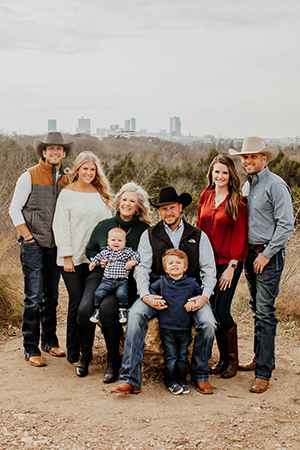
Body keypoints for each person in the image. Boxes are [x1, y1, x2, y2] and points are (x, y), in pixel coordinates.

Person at [111, 186, 217, 395]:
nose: (168, 213)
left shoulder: (197, 235)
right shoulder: (150, 234)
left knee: (208, 323)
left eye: (172, 208)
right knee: (136, 314)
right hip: (158, 290)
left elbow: (209, 270)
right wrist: (145, 295)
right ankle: (130, 378)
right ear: (159, 211)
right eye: (163, 209)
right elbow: (142, 268)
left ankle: (200, 374)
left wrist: (203, 297)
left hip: (190, 293)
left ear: (180, 208)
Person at [229, 136, 294, 393]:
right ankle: (259, 358)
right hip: (250, 255)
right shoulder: (247, 187)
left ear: (264, 158)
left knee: (265, 312)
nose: (248, 161)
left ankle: (264, 371)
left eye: (253, 157)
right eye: (245, 157)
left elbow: (286, 224)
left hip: (268, 256)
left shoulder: (275, 185)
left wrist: (266, 254)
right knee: (257, 307)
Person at [9, 132, 74, 367]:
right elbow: (14, 209)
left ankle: (49, 341)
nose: (55, 152)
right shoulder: (29, 176)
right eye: (51, 149)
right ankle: (30, 347)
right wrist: (28, 237)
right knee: (33, 297)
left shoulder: (69, 179)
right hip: (33, 243)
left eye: (59, 149)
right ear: (44, 152)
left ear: (64, 153)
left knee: (52, 296)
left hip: (55, 245)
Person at [76, 182, 151, 383]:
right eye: (124, 200)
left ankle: (112, 360)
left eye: (132, 201)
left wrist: (133, 264)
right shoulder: (103, 226)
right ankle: (85, 355)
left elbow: (147, 257)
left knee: (109, 308)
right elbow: (90, 249)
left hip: (125, 280)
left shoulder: (144, 230)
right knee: (84, 309)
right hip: (100, 276)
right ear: (118, 203)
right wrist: (99, 259)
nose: (127, 204)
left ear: (138, 207)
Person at [52, 151, 112, 365]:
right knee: (77, 302)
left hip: (96, 259)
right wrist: (66, 256)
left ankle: (91, 348)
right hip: (74, 258)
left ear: (96, 172)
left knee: (91, 302)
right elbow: (60, 226)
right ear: (77, 169)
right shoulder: (67, 194)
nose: (88, 172)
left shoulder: (101, 193)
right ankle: (73, 350)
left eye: (92, 169)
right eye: (84, 168)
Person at [196, 155, 248, 379]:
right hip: (207, 263)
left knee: (222, 309)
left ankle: (233, 359)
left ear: (231, 175)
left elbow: (241, 234)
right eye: (216, 172)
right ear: (211, 174)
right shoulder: (205, 196)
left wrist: (233, 265)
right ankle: (222, 359)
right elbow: (199, 227)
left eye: (224, 173)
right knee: (212, 310)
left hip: (229, 262)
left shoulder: (238, 200)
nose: (220, 176)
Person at [149, 249, 203, 395]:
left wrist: (194, 302)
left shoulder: (191, 283)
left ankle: (182, 380)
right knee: (171, 356)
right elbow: (150, 291)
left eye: (178, 263)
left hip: (184, 326)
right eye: (170, 263)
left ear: (185, 267)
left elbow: (199, 295)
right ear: (165, 268)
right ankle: (170, 381)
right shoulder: (161, 282)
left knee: (183, 356)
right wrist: (155, 300)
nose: (174, 265)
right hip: (167, 327)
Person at [89, 227, 140, 324]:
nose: (116, 243)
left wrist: (132, 262)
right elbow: (98, 257)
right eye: (113, 240)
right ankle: (97, 311)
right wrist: (94, 263)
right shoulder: (106, 251)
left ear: (124, 243)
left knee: (122, 294)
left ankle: (122, 311)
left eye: (119, 240)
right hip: (107, 280)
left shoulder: (126, 251)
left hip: (121, 281)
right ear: (108, 241)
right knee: (98, 293)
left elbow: (137, 256)